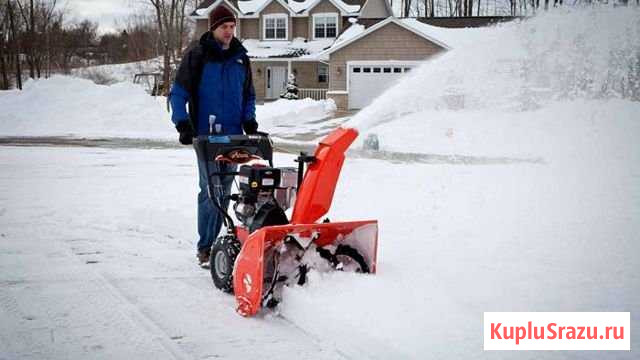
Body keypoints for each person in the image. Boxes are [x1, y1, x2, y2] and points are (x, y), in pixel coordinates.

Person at [169, 5, 258, 266]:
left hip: (233, 137)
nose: (229, 32)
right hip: (206, 138)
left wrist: (249, 119)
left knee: (226, 190)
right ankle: (205, 247)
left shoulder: (241, 57)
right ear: (213, 28)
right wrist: (182, 123)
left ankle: (221, 243)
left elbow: (248, 95)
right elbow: (178, 93)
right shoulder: (197, 55)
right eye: (224, 27)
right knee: (210, 190)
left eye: (232, 27)